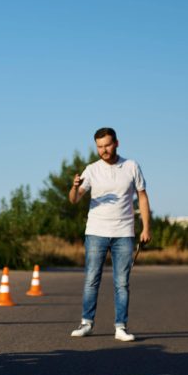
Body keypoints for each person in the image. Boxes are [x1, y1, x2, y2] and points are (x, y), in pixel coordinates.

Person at [68, 127, 151, 341]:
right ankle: (86, 323)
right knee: (91, 279)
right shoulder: (92, 170)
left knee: (121, 282)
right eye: (99, 147)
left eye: (107, 145)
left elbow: (142, 197)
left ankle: (121, 327)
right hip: (96, 231)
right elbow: (74, 199)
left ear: (116, 143)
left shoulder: (131, 166)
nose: (103, 150)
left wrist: (146, 228)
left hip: (124, 233)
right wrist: (74, 187)